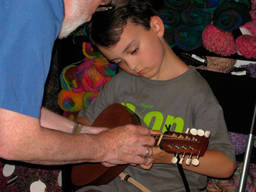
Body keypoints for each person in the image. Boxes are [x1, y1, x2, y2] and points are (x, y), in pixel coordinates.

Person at [76, 0, 236, 191]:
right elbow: (84, 122)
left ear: (156, 27)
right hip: (108, 184)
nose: (132, 66)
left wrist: (167, 155)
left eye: (133, 50)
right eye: (119, 61)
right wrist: (104, 143)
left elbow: (225, 166)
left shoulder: (196, 94)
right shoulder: (122, 83)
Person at [0, 0, 155, 167]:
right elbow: (15, 140)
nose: (89, 18)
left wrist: (87, 132)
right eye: (103, 3)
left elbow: (12, 112)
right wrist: (108, 147)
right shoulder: (36, 7)